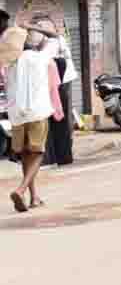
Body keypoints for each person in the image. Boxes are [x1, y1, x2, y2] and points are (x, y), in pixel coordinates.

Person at [5, 27, 62, 212]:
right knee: (37, 154)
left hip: (16, 115)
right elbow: (55, 37)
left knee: (25, 156)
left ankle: (34, 197)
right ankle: (21, 190)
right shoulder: (40, 58)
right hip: (37, 112)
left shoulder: (10, 64)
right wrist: (33, 27)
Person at [36, 19, 76, 167]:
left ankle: (61, 155)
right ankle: (62, 155)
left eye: (40, 27)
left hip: (61, 84)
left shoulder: (55, 41)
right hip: (58, 84)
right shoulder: (50, 43)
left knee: (59, 121)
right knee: (60, 121)